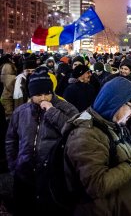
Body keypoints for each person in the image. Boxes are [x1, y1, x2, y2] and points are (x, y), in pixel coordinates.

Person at [64, 76, 131, 215]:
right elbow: (97, 185)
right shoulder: (85, 135)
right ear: (115, 102)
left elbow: (117, 158)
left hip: (120, 205)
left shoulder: (112, 124)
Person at [5, 67, 79, 215]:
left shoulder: (66, 108)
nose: (44, 98)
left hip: (53, 178)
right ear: (31, 95)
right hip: (24, 175)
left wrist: (52, 112)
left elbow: (77, 132)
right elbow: (11, 140)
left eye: (47, 93)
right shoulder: (21, 112)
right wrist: (14, 165)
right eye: (38, 94)